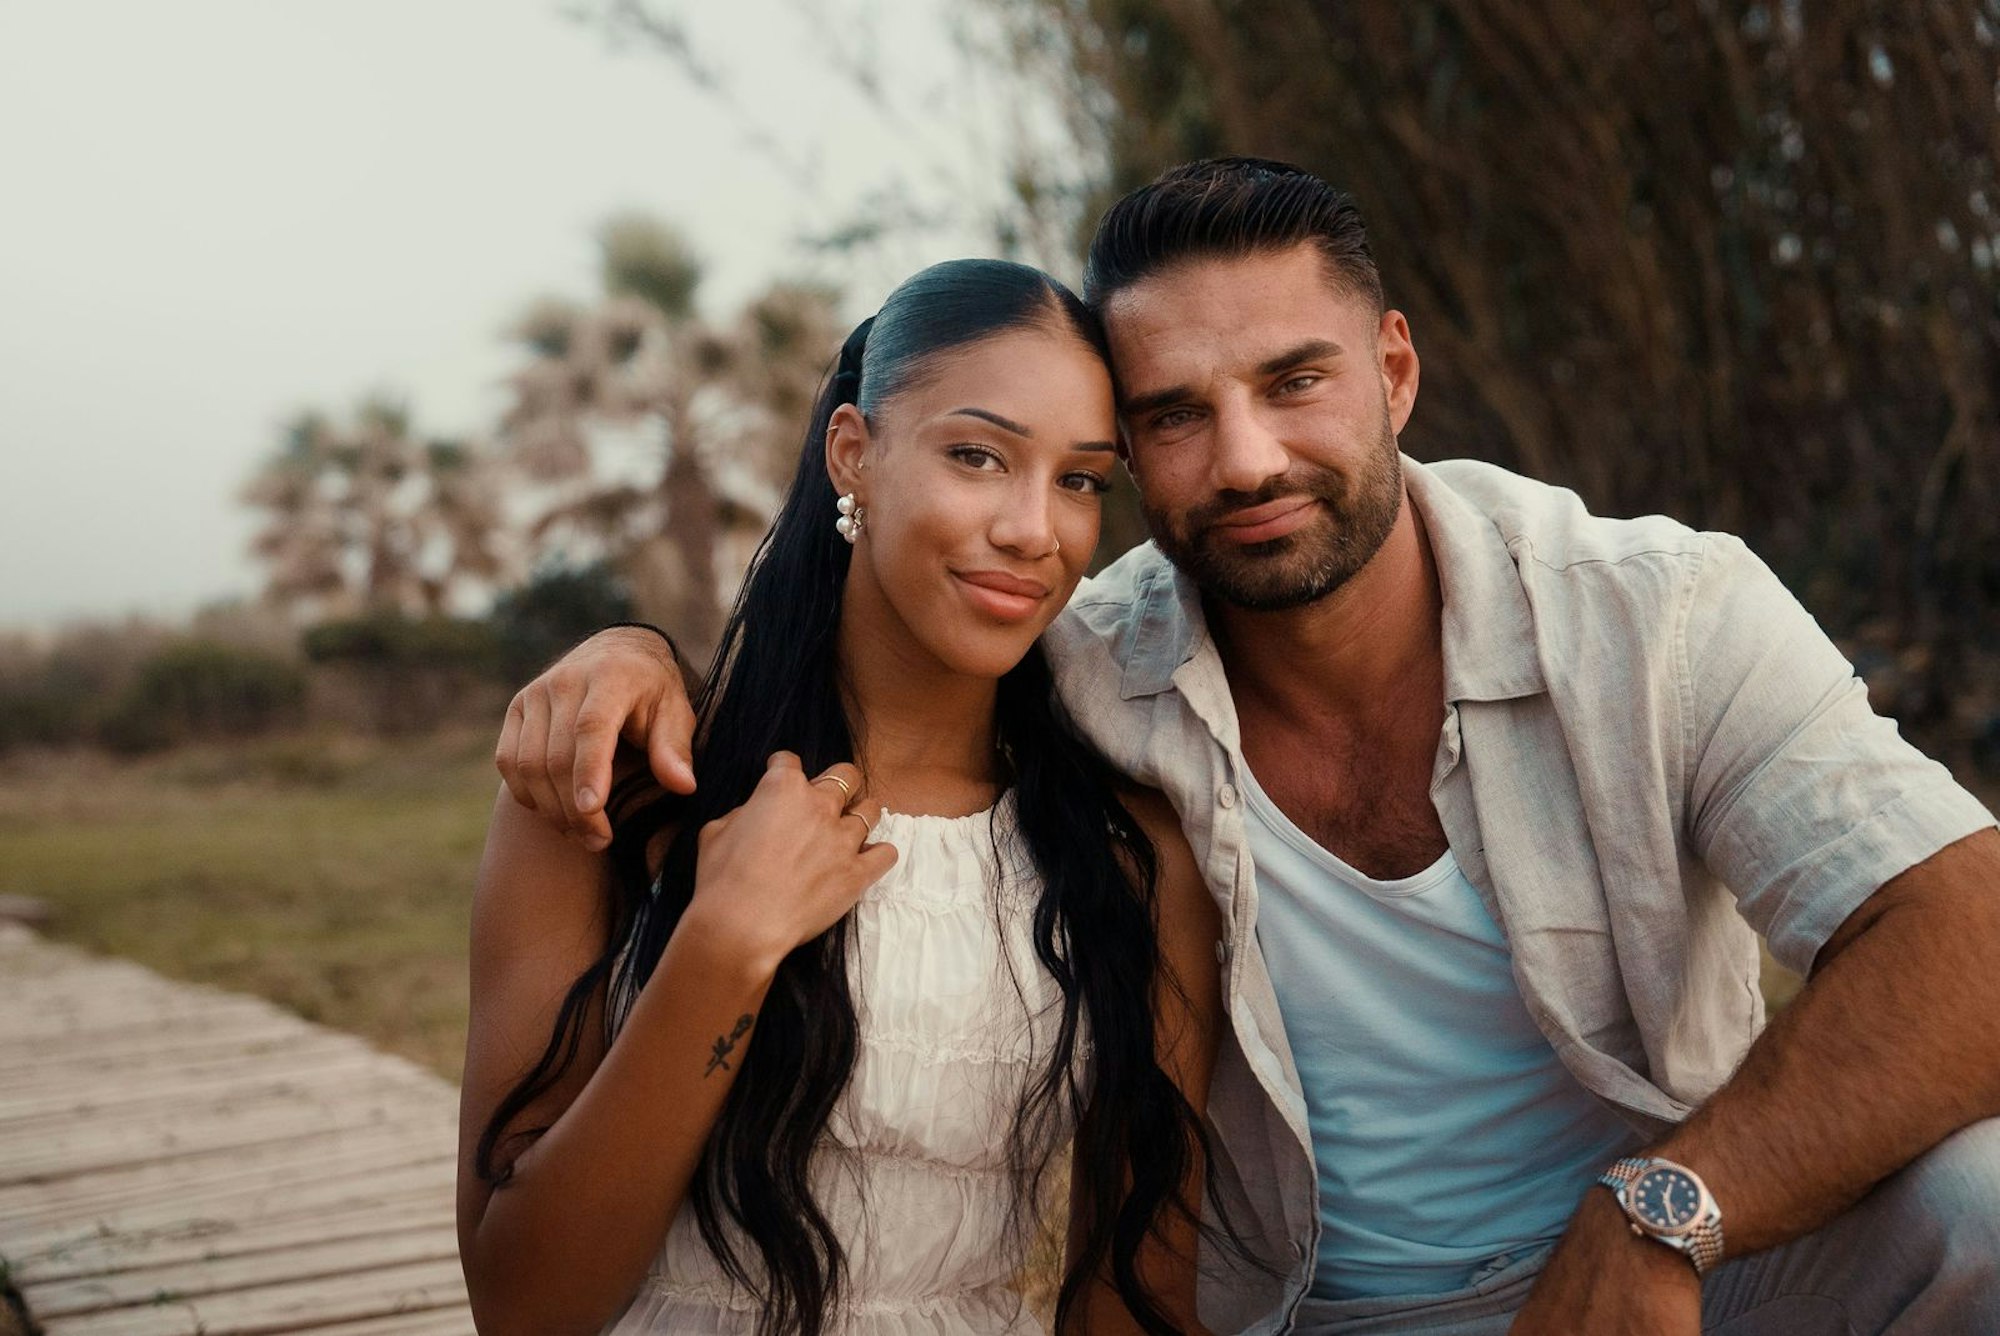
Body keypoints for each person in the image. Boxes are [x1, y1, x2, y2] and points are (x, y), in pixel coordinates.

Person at [499, 160, 2000, 1336]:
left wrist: (1664, 1210)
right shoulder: (1088, 669)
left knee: (1983, 1211)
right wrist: (634, 661)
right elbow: (883, 661)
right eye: (1172, 416)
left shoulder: (1656, 618)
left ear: (1394, 372)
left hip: (1673, 1274)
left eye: (1295, 381)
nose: (1249, 459)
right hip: (1319, 1313)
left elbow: (1972, 935)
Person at [456, 258, 1236, 1336]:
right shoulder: (622, 788)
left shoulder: (1126, 854)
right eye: (977, 455)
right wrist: (726, 944)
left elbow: (1134, 1306)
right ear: (852, 455)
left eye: (1079, 480)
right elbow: (521, 1305)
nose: (1032, 529)